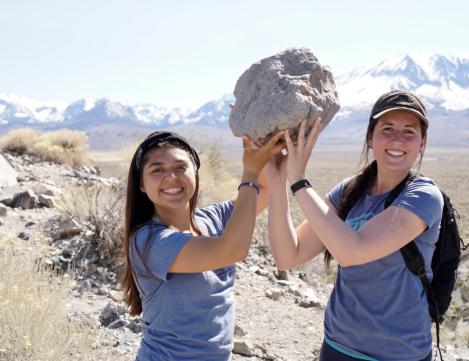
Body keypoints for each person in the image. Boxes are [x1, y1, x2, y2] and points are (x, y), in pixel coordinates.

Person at [266, 90, 443, 361]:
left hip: (398, 354)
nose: (398, 139)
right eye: (387, 128)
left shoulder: (423, 196)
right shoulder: (350, 191)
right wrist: (278, 177)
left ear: (422, 143)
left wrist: (299, 179)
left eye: (409, 131)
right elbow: (289, 255)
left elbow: (352, 252)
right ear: (370, 138)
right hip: (338, 346)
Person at [121, 130, 285, 361]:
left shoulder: (212, 219)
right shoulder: (147, 241)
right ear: (141, 184)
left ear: (196, 174)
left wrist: (260, 137)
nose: (171, 177)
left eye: (181, 167)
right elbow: (232, 250)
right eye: (157, 170)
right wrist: (250, 172)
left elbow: (264, 189)